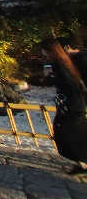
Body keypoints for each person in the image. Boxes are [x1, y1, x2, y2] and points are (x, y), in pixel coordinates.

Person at [41, 38, 87, 175]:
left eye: (43, 50)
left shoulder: (60, 64)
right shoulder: (64, 62)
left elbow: (67, 83)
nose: (42, 53)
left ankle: (83, 162)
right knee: (71, 134)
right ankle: (82, 163)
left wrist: (51, 79)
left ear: (49, 50)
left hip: (71, 105)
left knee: (67, 134)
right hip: (74, 104)